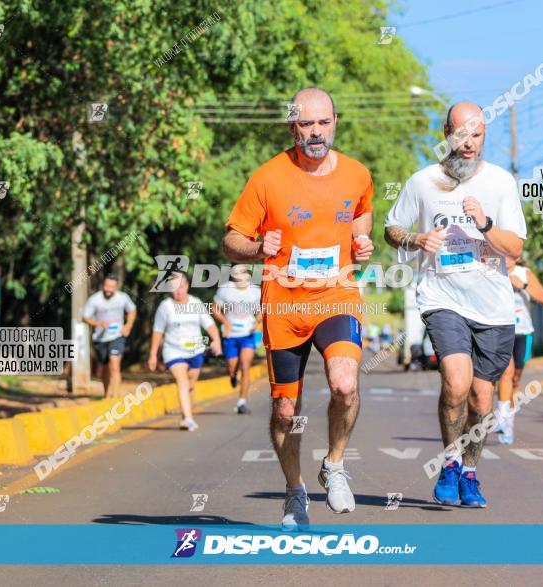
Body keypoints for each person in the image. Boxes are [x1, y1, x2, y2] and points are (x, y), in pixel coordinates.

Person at [222, 86, 375, 530]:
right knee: (286, 410)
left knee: (344, 385)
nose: (315, 132)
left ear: (334, 123)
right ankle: (295, 492)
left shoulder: (357, 173)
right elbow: (230, 240)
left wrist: (360, 241)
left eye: (323, 122)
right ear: (292, 126)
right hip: (283, 306)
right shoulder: (267, 178)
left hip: (336, 296)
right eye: (305, 124)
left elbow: (362, 211)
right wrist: (255, 248)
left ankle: (335, 464)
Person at [384, 101, 526, 508]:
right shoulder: (422, 181)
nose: (468, 142)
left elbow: (514, 247)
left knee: (482, 400)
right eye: (461, 133)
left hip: (493, 306)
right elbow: (393, 228)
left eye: (476, 134)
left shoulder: (501, 182)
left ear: (484, 136)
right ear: (446, 132)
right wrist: (416, 240)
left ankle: (469, 472)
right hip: (441, 297)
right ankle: (449, 461)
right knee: (457, 383)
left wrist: (484, 224)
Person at [148, 272, 222, 431]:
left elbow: (209, 325)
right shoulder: (165, 306)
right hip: (173, 350)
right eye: (174, 288)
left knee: (191, 385)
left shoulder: (196, 303)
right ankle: (187, 419)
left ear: (187, 286)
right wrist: (153, 354)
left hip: (195, 351)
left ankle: (187, 415)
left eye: (181, 287)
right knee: (182, 382)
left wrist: (216, 340)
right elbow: (158, 331)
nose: (178, 291)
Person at [495, 258, 543, 444]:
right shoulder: (492, 269)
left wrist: (523, 285)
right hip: (501, 329)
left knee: (515, 379)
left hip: (523, 332)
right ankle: (502, 418)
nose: (507, 258)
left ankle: (508, 424)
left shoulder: (524, 273)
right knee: (506, 372)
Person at [212, 264, 262, 414]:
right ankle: (233, 375)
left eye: (243, 272)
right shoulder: (225, 289)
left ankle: (242, 402)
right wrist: (225, 322)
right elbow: (214, 308)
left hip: (247, 334)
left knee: (245, 366)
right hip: (230, 334)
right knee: (233, 367)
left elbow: (261, 310)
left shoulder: (255, 291)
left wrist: (257, 320)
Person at [81, 274, 137, 398]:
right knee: (104, 367)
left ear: (117, 287)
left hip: (117, 335)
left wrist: (128, 326)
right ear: (103, 285)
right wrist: (98, 323)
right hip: (100, 338)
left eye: (111, 287)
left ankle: (115, 396)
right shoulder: (95, 299)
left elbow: (132, 311)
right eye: (106, 286)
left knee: (114, 363)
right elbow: (85, 317)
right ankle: (106, 393)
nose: (108, 289)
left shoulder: (123, 298)